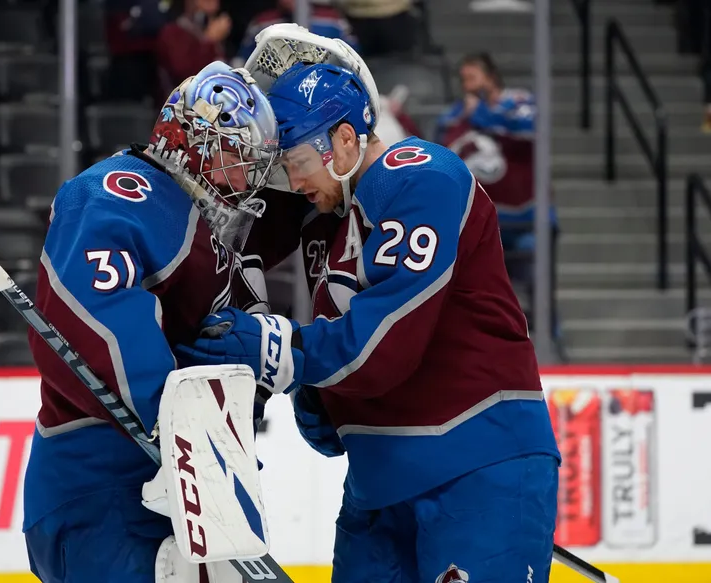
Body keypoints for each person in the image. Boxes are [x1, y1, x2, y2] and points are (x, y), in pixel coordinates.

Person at [176, 61, 561, 583]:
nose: (294, 181)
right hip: (378, 484)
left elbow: (384, 347)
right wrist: (326, 398)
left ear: (343, 139)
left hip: (477, 463)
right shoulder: (324, 220)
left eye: (298, 161)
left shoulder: (423, 177)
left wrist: (280, 350)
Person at [22, 60, 280, 583]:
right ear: (188, 139)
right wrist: (179, 426)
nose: (244, 178)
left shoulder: (206, 221)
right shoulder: (117, 191)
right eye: (234, 157)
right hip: (102, 484)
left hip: (180, 485)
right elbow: (92, 317)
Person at [434, 52, 559, 338]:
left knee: (538, 283)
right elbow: (441, 146)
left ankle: (550, 340)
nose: (467, 86)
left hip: (529, 219)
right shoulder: (458, 114)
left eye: (472, 78)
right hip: (486, 224)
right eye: (463, 80)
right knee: (485, 294)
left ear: (490, 78)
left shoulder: (519, 103)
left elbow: (530, 130)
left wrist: (481, 114)